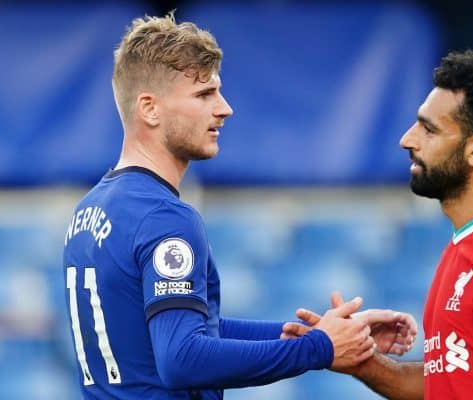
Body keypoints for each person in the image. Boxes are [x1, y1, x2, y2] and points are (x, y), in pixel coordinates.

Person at [62, 13, 417, 400]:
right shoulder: (164, 217)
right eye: (204, 95)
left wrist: (324, 335)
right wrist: (318, 349)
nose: (225, 108)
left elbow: (186, 329)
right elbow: (183, 358)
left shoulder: (90, 210)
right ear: (150, 109)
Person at [284, 49, 473, 399]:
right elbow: (442, 386)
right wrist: (358, 358)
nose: (408, 139)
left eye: (429, 129)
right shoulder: (465, 245)